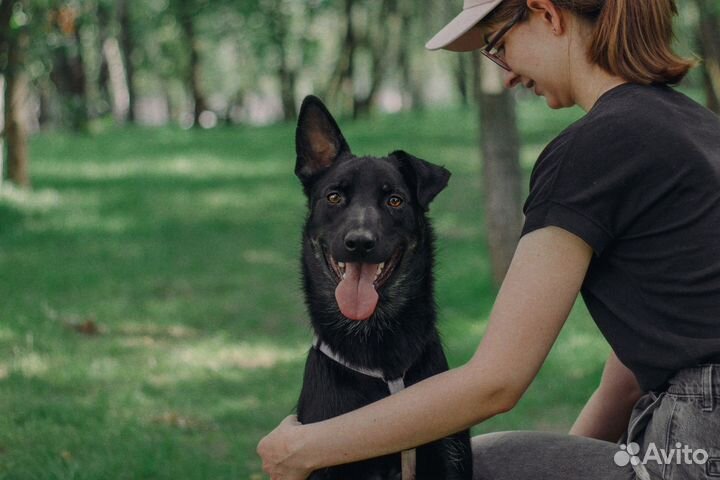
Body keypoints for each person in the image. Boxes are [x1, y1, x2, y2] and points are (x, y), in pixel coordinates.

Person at [257, 0, 720, 478]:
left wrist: (308, 446)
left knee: (485, 463)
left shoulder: (593, 147)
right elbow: (628, 375)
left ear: (547, 14)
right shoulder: (701, 129)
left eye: (498, 46)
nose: (506, 76)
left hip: (700, 447)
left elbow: (495, 382)